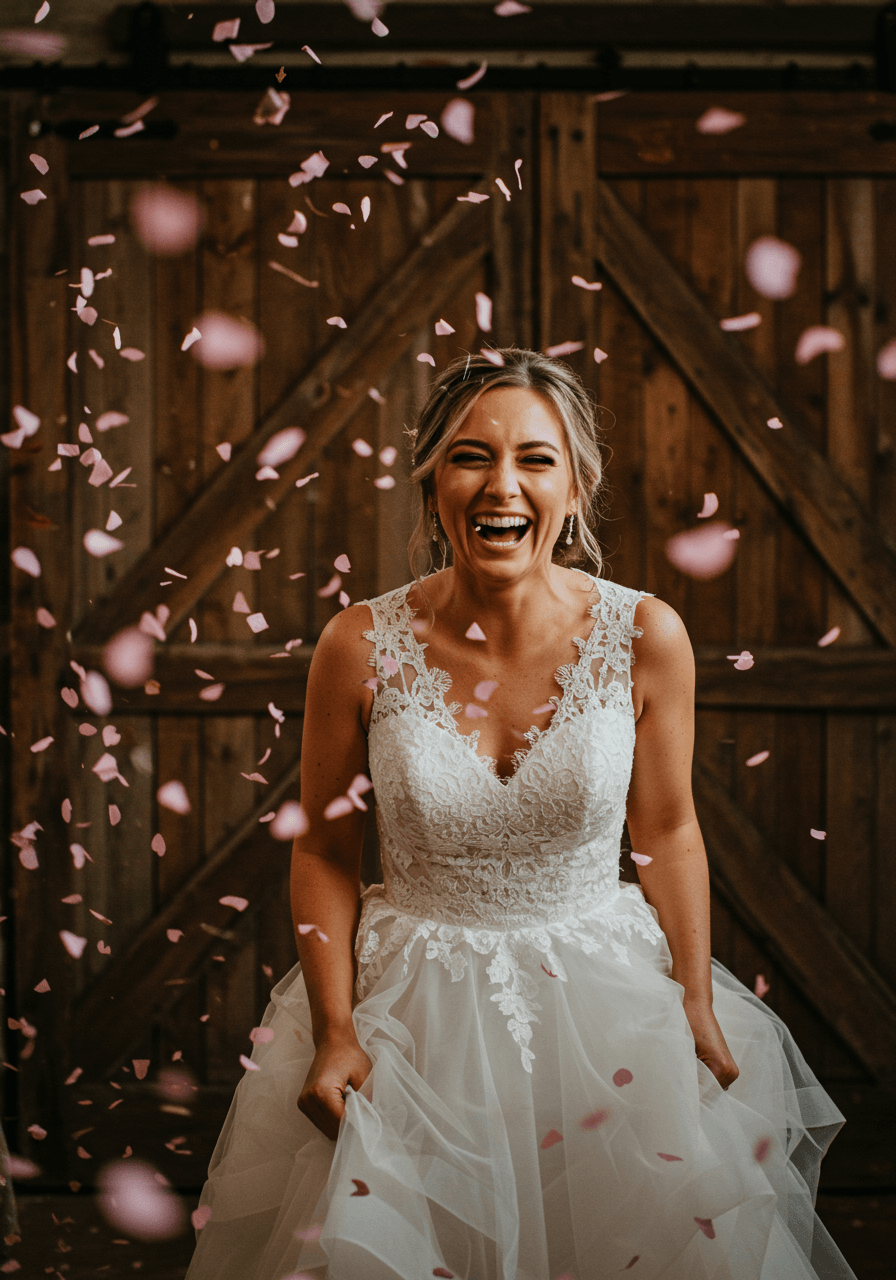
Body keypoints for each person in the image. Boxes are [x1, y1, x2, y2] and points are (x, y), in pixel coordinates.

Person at [186, 349, 855, 1280]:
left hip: (604, 1010)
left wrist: (696, 1000)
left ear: (575, 488)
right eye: (470, 456)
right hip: (407, 1019)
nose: (502, 484)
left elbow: (667, 832)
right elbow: (328, 852)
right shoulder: (359, 643)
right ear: (430, 486)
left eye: (536, 460)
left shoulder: (646, 635)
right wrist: (337, 1029)